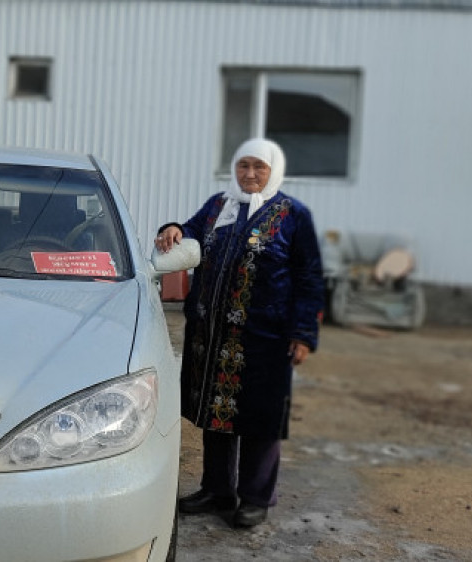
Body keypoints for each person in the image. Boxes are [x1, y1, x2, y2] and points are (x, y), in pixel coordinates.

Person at [155, 138, 324, 528]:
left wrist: (302, 332)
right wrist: (173, 228)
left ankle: (255, 497)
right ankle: (217, 490)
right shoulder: (219, 206)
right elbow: (192, 232)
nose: (249, 174)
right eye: (243, 166)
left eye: (258, 168)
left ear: (273, 170)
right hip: (213, 335)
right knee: (216, 413)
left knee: (260, 418)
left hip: (266, 338)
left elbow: (309, 276)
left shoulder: (293, 216)